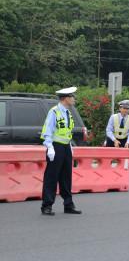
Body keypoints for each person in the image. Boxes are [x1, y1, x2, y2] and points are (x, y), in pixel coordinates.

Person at [40, 87, 82, 216]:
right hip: (55, 147)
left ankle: (68, 205)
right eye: (72, 97)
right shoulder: (54, 112)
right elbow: (47, 131)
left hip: (65, 147)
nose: (74, 99)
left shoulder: (68, 112)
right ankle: (47, 205)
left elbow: (67, 132)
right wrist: (50, 147)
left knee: (66, 177)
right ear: (65, 98)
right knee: (51, 177)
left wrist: (69, 147)